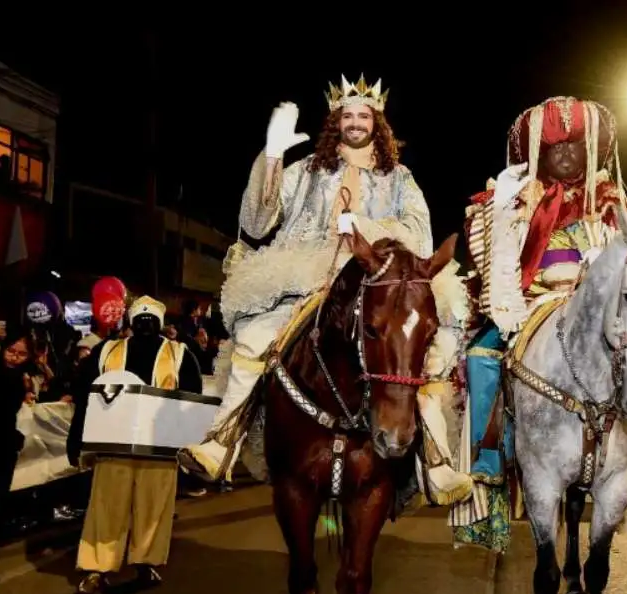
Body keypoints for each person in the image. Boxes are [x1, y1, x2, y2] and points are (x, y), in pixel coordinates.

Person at [180, 76, 468, 501]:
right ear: (336, 121)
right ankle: (222, 440)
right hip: (306, 276)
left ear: (377, 123)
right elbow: (259, 223)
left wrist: (365, 231)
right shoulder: (305, 171)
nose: (355, 122)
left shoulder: (400, 179)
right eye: (347, 115)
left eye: (363, 115)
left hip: (375, 280)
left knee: (430, 347)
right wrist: (273, 155)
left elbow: (421, 236)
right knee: (256, 337)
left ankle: (437, 460)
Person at [454, 96, 627, 551]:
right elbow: (485, 254)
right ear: (539, 153)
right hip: (535, 301)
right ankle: (492, 454)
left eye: (574, 145)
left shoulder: (613, 200)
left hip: (601, 304)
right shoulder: (517, 196)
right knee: (480, 355)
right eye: (555, 147)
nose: (566, 154)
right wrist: (503, 211)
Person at [67, 296, 203, 594]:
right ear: (130, 320)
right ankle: (98, 566)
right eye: (139, 317)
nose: (144, 321)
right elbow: (84, 395)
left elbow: (192, 399)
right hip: (113, 445)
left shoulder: (180, 353)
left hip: (159, 447)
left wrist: (187, 440)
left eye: (150, 317)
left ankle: (146, 562)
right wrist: (76, 437)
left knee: (153, 508)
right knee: (105, 506)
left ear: (160, 322)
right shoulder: (106, 350)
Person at [0, 331, 35, 586]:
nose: (14, 357)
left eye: (21, 353)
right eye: (11, 351)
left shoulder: (17, 378)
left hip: (2, 449)